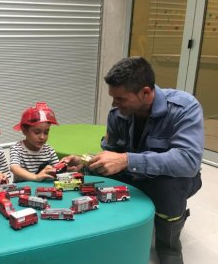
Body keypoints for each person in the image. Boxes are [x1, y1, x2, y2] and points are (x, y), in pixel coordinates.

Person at [63, 56, 203, 264]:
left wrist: (128, 160)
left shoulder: (184, 108)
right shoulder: (118, 114)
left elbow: (188, 161)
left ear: (146, 93)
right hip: (133, 174)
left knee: (169, 186)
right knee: (94, 175)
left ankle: (169, 245)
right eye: (113, 98)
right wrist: (85, 161)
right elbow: (111, 154)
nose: (114, 103)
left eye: (120, 99)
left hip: (171, 179)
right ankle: (110, 228)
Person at [9, 102, 60, 182]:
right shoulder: (17, 149)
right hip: (23, 190)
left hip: (44, 188)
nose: (42, 137)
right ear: (24, 131)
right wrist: (35, 177)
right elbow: (14, 168)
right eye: (37, 132)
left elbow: (57, 169)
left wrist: (68, 168)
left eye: (46, 132)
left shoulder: (49, 150)